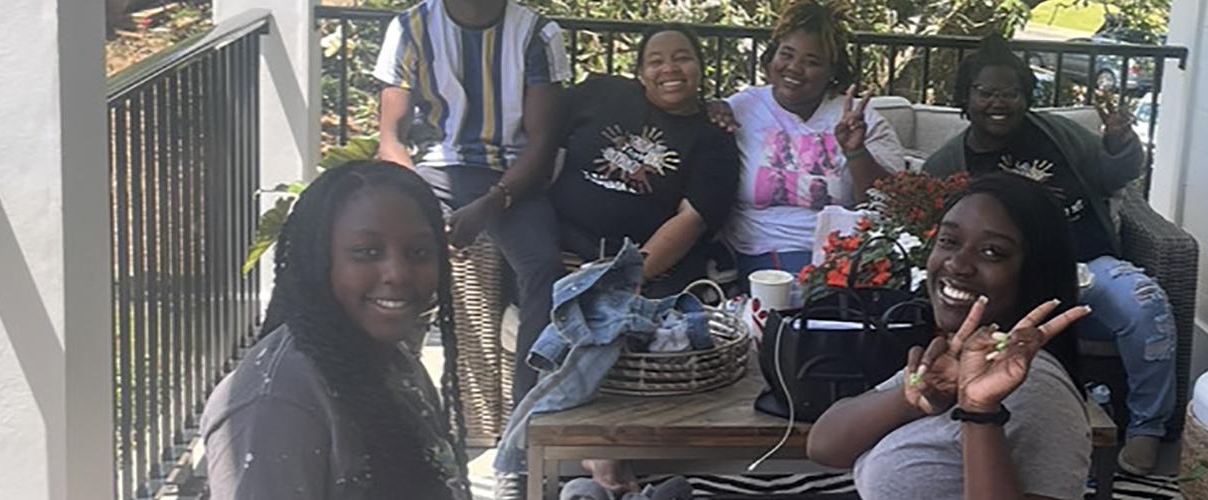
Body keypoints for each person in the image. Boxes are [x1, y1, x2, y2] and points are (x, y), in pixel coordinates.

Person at [919, 35, 1179, 474]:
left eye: (1010, 92)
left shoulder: (1057, 133)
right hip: (1006, 284)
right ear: (966, 98)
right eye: (985, 92)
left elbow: (1116, 175)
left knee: (1147, 304)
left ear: (1025, 96)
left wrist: (1119, 143)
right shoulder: (949, 162)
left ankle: (1147, 428)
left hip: (1089, 269)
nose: (998, 102)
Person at [808, 173, 1096, 499]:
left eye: (992, 252)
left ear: (1034, 271)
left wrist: (979, 411)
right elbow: (824, 446)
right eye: (948, 241)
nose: (958, 264)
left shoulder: (1037, 389)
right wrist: (911, 398)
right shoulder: (959, 356)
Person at [199, 161, 469, 499]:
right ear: (319, 261)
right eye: (366, 253)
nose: (397, 273)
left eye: (418, 253)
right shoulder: (277, 404)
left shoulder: (391, 361)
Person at [372, 0, 570, 406]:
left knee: (543, 269)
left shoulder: (537, 33)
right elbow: (390, 140)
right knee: (383, 261)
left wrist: (489, 204)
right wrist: (417, 205)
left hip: (513, 177)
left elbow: (542, 143)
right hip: (433, 172)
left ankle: (524, 422)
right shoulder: (410, 27)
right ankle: (388, 399)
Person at [530, 24, 740, 298]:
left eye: (682, 58)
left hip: (632, 261)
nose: (669, 68)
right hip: (555, 240)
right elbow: (541, 130)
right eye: (655, 61)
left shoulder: (714, 137)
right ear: (641, 73)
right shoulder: (603, 93)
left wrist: (630, 277)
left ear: (701, 67)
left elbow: (692, 220)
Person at [718, 0, 908, 276]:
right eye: (787, 54)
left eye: (811, 62)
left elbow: (887, 206)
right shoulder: (741, 108)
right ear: (772, 57)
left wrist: (856, 152)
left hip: (845, 254)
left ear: (832, 72)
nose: (794, 68)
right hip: (763, 252)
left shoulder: (860, 118)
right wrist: (709, 109)